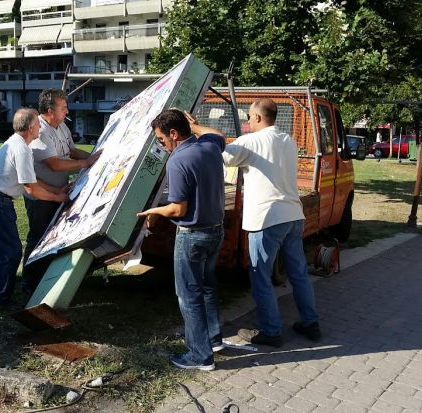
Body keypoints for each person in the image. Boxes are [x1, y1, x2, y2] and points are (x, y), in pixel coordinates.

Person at [214, 98, 321, 347]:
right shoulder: (288, 140)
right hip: (293, 215)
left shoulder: (250, 141)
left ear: (259, 118)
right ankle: (310, 322)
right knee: (298, 274)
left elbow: (225, 157)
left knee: (260, 276)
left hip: (266, 218)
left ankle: (271, 331)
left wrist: (203, 131)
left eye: (249, 117)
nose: (247, 121)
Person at [137, 109, 226, 371]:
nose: (161, 145)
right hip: (215, 231)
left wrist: (153, 211)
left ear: (174, 134)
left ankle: (200, 356)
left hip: (192, 236)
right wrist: (196, 126)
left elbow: (178, 210)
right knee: (207, 286)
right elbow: (219, 135)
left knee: (188, 295)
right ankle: (212, 339)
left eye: (162, 139)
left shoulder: (178, 160)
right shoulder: (208, 147)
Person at [0, 108, 67, 307]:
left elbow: (32, 182)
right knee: (11, 251)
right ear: (31, 127)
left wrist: (57, 191)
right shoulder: (22, 148)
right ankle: (0, 299)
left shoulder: (14, 142)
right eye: (38, 124)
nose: (40, 127)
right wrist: (56, 198)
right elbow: (31, 190)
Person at [22, 89, 101, 294]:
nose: (67, 111)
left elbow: (72, 151)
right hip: (40, 195)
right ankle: (30, 283)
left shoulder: (61, 126)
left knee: (53, 235)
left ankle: (45, 278)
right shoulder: (39, 130)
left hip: (58, 192)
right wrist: (87, 162)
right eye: (63, 107)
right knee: (39, 235)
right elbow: (54, 164)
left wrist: (99, 159)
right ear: (50, 111)